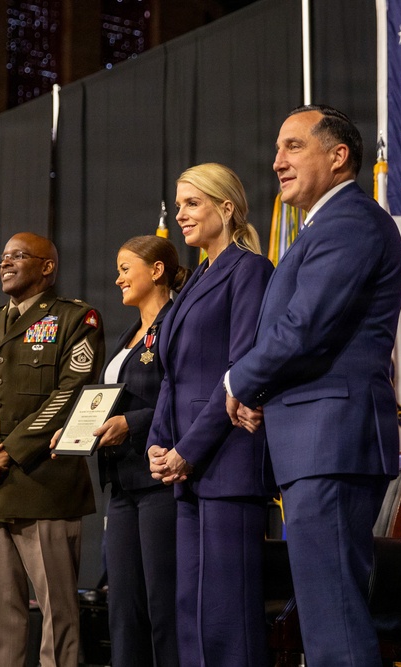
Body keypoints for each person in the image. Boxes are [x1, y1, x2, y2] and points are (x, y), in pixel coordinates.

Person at [225, 105, 401, 666]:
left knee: (335, 622)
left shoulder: (350, 222)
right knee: (326, 618)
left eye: (294, 146)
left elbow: (305, 329)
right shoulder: (324, 227)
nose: (277, 161)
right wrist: (261, 393)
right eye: (277, 149)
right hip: (315, 443)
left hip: (332, 442)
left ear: (338, 155)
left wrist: (239, 381)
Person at [0, 232, 105, 667]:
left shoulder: (76, 318)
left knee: (59, 616)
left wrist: (10, 451)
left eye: (18, 256)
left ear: (47, 267)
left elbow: (72, 391)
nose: (6, 263)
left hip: (45, 485)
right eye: (3, 257)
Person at [146, 163, 274, 667]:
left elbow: (240, 372)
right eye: (179, 205)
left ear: (226, 207)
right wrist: (158, 444)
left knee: (227, 616)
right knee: (192, 612)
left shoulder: (250, 270)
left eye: (192, 203)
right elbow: (171, 375)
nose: (181, 214)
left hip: (227, 463)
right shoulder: (196, 276)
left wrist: (187, 450)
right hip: (188, 469)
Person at [55, 235, 189, 666]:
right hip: (122, 485)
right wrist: (73, 432)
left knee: (162, 605)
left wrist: (131, 423)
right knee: (123, 608)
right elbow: (108, 401)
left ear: (157, 271)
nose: (117, 279)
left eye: (125, 269)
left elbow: (185, 399)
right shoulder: (131, 334)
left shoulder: (178, 323)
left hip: (159, 481)